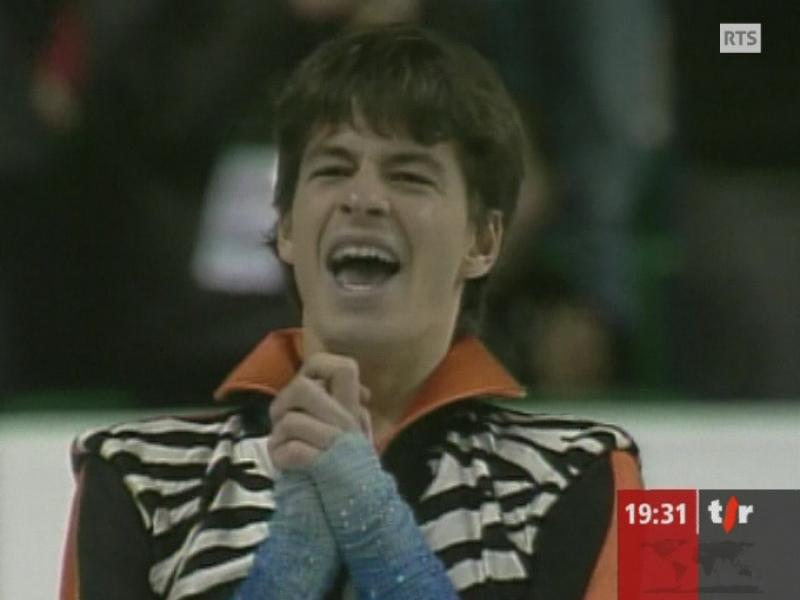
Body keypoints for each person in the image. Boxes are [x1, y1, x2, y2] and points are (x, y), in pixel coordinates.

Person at [59, 24, 643, 600]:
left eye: (409, 176)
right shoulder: (128, 475)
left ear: (483, 241)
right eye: (333, 170)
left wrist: (372, 524)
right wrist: (290, 567)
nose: (361, 199)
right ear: (285, 225)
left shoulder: (599, 469)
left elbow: (725, 570)